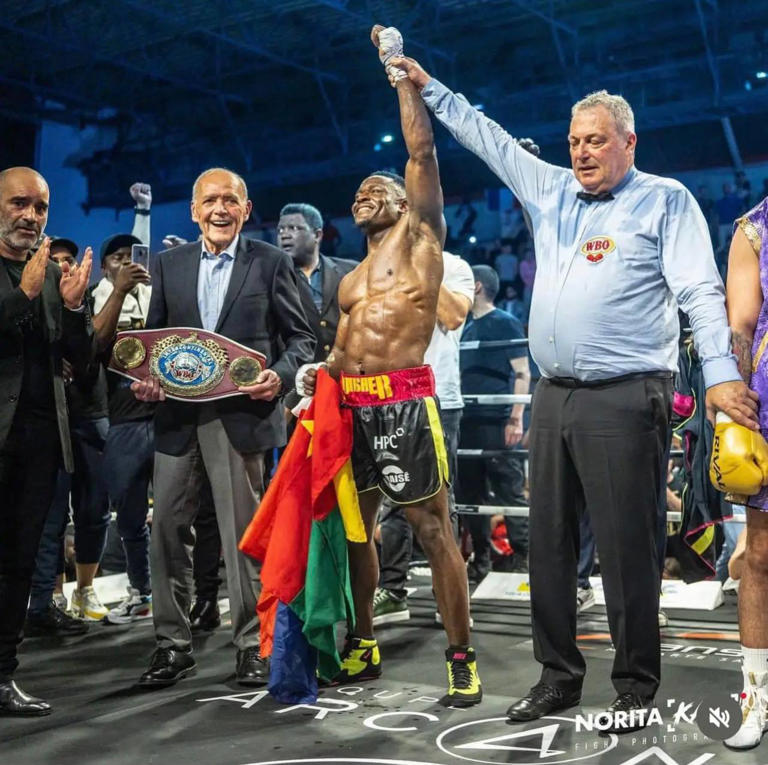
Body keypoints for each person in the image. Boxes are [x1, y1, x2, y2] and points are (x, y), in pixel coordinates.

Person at [388, 47, 756, 730]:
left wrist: (722, 377)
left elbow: (702, 293)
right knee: (548, 545)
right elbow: (484, 133)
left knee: (626, 545)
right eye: (575, 141)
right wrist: (426, 83)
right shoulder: (550, 186)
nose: (583, 152)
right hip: (553, 395)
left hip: (627, 393)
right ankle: (557, 674)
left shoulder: (664, 200)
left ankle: (636, 683)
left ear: (628, 142)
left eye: (596, 140)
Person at [302, 26, 482, 707]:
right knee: (358, 530)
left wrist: (401, 77)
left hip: (405, 404)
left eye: (375, 188)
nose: (362, 196)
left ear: (406, 201)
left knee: (433, 530)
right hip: (347, 408)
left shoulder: (422, 239)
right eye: (356, 195)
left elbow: (420, 149)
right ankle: (363, 639)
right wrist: (313, 386)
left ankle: (461, 656)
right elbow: (340, 347)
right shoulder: (349, 278)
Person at [131, 167, 314, 688]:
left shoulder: (272, 262)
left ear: (246, 209)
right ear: (193, 210)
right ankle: (172, 646)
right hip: (177, 419)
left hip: (240, 417)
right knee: (166, 530)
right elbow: (156, 345)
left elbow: (301, 340)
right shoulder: (169, 265)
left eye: (229, 200)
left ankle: (253, 646)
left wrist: (277, 380)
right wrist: (147, 381)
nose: (219, 209)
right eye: (209, 200)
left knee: (243, 537)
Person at [0, 167, 93, 716]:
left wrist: (76, 309)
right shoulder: (34, 280)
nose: (30, 217)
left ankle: (3, 676)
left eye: (39, 208)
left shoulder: (54, 280)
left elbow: (79, 365)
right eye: (19, 204)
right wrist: (23, 297)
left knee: (15, 566)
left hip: (37, 443)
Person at [374, 249, 474, 625]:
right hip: (388, 393)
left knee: (440, 499)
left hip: (438, 398)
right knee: (394, 496)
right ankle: (394, 590)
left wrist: (419, 262)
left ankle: (446, 595)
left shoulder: (453, 264)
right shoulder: (380, 261)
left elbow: (453, 315)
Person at [718, 194, 768, 749]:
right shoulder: (756, 226)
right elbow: (742, 323)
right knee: (759, 555)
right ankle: (756, 703)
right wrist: (734, 400)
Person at [459, 265, 530, 579]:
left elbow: (523, 372)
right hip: (465, 419)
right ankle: (481, 560)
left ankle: (526, 557)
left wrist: (515, 419)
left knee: (508, 489)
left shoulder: (505, 322)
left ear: (475, 286)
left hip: (497, 420)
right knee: (469, 494)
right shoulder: (460, 325)